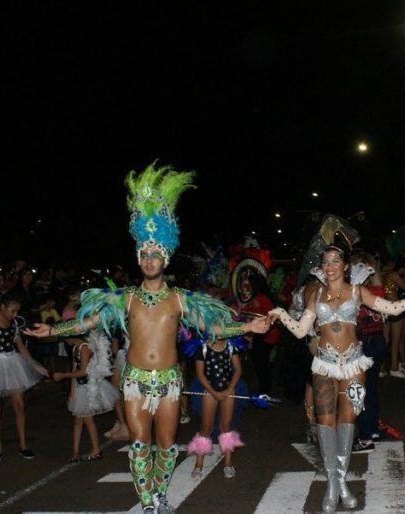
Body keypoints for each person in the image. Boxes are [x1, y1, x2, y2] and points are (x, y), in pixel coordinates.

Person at [26, 163, 271, 514]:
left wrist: (246, 328)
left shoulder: (180, 299)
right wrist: (53, 331)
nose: (150, 260)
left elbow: (213, 329)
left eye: (156, 254)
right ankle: (148, 503)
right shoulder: (125, 298)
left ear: (165, 258)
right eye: (145, 254)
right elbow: (88, 321)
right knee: (140, 445)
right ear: (139, 258)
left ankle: (161, 494)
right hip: (135, 381)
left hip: (170, 381)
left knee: (168, 445)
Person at [271, 244, 405, 513]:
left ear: (345, 266)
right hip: (324, 365)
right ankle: (333, 486)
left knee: (348, 422)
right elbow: (302, 331)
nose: (330, 266)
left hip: (353, 365)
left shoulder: (358, 291)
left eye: (335, 261)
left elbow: (393, 309)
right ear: (321, 266)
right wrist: (280, 314)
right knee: (325, 423)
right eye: (326, 262)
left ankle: (342, 483)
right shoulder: (315, 294)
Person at [0, 293, 47, 463]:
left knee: (20, 405)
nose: (15, 315)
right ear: (2, 307)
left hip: (12, 363)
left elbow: (21, 347)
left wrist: (36, 366)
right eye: (13, 311)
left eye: (17, 311)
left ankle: (23, 445)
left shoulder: (13, 323)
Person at [54, 330, 119, 462]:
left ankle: (96, 450)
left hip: (89, 388)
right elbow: (74, 368)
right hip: (79, 388)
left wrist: (62, 376)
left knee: (88, 420)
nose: (64, 341)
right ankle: (76, 452)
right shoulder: (75, 348)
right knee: (78, 421)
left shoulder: (84, 348)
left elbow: (83, 372)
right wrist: (72, 391)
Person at [187, 337, 244, 479]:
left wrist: (229, 389)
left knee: (226, 426)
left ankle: (228, 463)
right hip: (209, 391)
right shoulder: (203, 348)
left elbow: (237, 370)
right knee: (206, 427)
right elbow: (200, 374)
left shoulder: (231, 347)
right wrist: (213, 392)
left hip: (228, 391)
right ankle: (199, 463)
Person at [350, 253, 386, 454]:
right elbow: (378, 278)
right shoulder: (376, 291)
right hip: (378, 342)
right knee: (371, 389)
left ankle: (365, 438)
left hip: (365, 346)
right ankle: (372, 431)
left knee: (360, 391)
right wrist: (373, 266)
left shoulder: (357, 294)